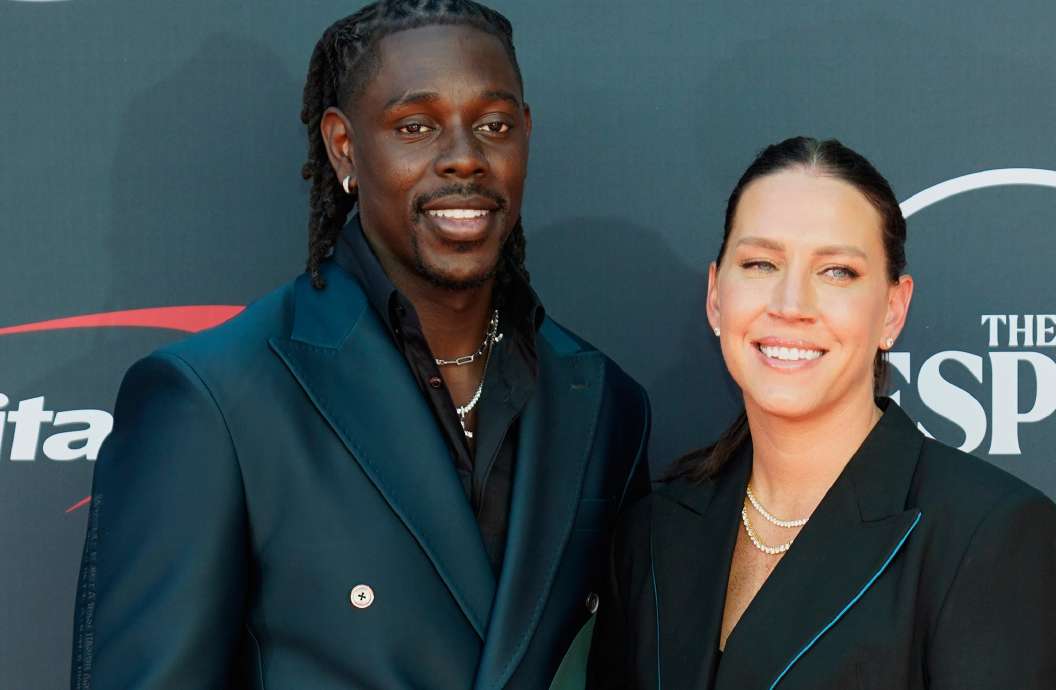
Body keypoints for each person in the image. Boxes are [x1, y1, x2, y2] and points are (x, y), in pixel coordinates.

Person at [69, 2, 649, 688]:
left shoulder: (604, 402)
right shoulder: (214, 398)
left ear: (526, 134)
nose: (464, 158)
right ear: (345, 147)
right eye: (416, 127)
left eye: (493, 125)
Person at [587, 137, 1056, 689]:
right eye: (760, 263)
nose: (791, 304)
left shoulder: (987, 535)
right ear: (715, 297)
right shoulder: (653, 535)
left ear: (893, 310)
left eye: (837, 272)